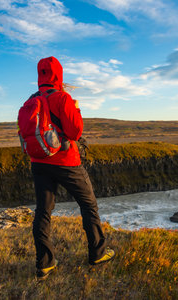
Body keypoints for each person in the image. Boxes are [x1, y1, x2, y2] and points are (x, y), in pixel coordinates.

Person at [29, 56, 115, 280]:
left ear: (40, 75)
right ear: (59, 74)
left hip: (39, 162)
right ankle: (97, 254)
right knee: (89, 205)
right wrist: (76, 109)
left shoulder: (32, 99)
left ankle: (44, 264)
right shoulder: (63, 98)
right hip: (66, 162)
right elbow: (76, 132)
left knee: (43, 211)